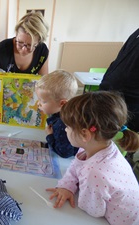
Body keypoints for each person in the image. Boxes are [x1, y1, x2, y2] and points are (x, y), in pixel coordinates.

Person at [46, 91, 139, 225]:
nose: (65, 130)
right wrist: (67, 185)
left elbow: (94, 210)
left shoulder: (94, 173)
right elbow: (76, 166)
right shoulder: (100, 146)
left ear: (85, 134)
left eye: (68, 127)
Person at [0, 11, 49, 131]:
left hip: (24, 96)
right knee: (0, 129)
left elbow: (44, 83)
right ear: (16, 35)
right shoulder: (2, 49)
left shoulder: (42, 51)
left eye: (30, 46)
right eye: (20, 43)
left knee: (22, 129)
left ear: (38, 42)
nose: (23, 49)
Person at [99, 28, 139, 133]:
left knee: (121, 138)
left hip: (129, 102)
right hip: (109, 93)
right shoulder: (137, 32)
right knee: (102, 131)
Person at [35, 70, 79, 158]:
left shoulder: (62, 125)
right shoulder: (62, 112)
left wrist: (50, 136)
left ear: (62, 103)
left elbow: (64, 153)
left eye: (43, 101)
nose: (38, 103)